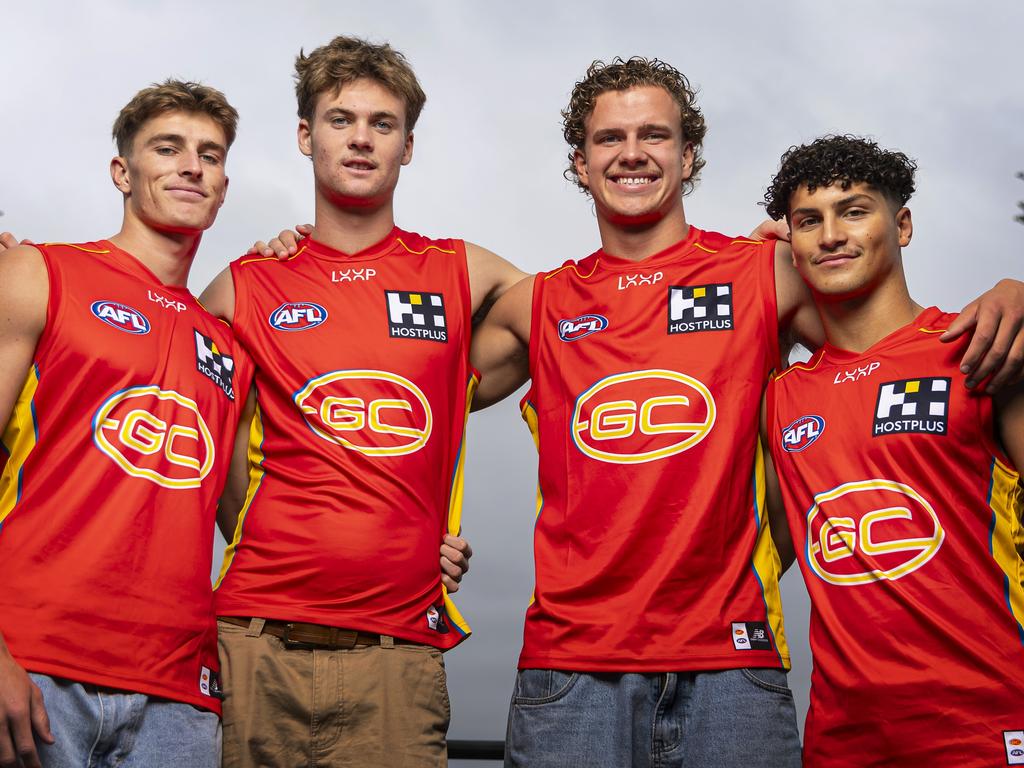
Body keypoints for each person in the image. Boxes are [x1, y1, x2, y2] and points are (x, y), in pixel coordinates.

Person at [468, 57, 1024, 767]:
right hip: (571, 666)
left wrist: (1016, 292)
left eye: (654, 135)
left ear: (688, 153)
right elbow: (412, 398)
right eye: (609, 138)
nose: (632, 153)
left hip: (735, 667)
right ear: (580, 162)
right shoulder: (538, 303)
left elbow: (891, 344)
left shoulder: (767, 273)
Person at [199, 36, 523, 768]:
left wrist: (757, 258)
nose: (361, 139)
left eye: (383, 123)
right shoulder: (248, 281)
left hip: (397, 649)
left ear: (408, 146)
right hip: (255, 642)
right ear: (307, 136)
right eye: (341, 119)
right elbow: (172, 409)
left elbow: (586, 318)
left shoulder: (457, 270)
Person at [0, 80, 253, 768]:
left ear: (224, 184)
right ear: (123, 171)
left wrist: (414, 551)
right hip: (35, 665)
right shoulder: (38, 272)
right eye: (167, 149)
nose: (191, 166)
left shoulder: (228, 345)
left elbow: (252, 525)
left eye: (209, 154)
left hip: (179, 696)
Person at [762, 135, 1024, 767]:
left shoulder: (978, 350)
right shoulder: (782, 398)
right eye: (808, 221)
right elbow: (759, 556)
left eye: (854, 211)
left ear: (901, 225)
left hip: (988, 724)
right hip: (843, 741)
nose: (830, 236)